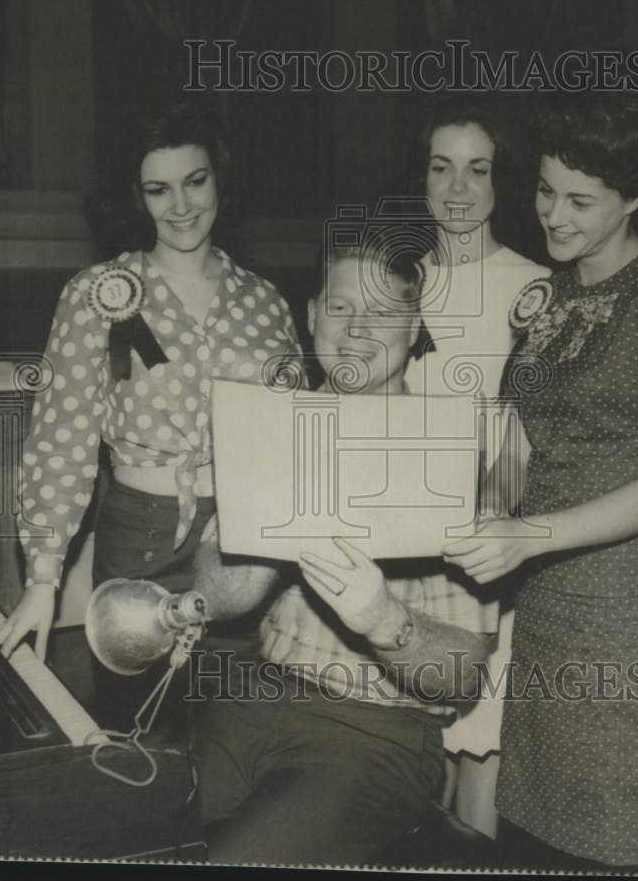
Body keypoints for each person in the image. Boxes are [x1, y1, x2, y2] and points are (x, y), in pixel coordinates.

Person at [443, 79, 638, 872]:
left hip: (627, 620)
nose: (553, 214)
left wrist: (523, 535)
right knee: (532, 840)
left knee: (617, 845)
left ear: (634, 198)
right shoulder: (552, 296)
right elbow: (512, 438)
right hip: (542, 612)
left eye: (581, 201)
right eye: (543, 190)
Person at [189, 235, 495, 867]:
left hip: (371, 734)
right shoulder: (274, 423)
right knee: (109, 826)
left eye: (382, 312)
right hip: (252, 694)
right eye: (339, 307)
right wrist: (250, 511)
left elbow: (462, 675)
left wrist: (383, 619)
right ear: (309, 314)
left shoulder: (453, 450)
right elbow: (218, 601)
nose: (356, 330)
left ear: (415, 326)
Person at [0, 100, 302, 687]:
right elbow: (64, 439)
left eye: (195, 181)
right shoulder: (98, 293)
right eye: (159, 190)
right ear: (137, 197)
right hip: (141, 534)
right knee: (141, 733)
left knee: (234, 725)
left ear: (219, 178)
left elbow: (295, 441)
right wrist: (42, 580)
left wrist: (283, 554)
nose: (181, 206)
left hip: (246, 547)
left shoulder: (265, 300)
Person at [403, 95, 549, 837]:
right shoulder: (396, 283)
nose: (458, 188)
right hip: (407, 552)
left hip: (493, 548)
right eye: (441, 166)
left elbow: (539, 435)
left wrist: (492, 527)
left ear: (501, 183)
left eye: (478, 169)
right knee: (419, 753)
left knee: (481, 741)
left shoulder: (534, 289)